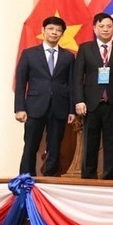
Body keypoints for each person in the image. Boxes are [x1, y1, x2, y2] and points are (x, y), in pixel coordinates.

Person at [15, 16, 76, 176]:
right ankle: (25, 179)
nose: (54, 33)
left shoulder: (68, 56)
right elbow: (21, 83)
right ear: (43, 31)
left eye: (58, 30)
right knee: (30, 145)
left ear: (62, 34)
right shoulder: (29, 54)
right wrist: (19, 108)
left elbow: (71, 84)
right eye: (51, 29)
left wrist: (71, 110)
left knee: (55, 145)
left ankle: (51, 179)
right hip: (34, 106)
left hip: (59, 106)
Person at [73, 12, 113, 179]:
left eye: (109, 26)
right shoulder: (85, 48)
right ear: (95, 28)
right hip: (91, 103)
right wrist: (79, 100)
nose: (106, 29)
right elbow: (78, 77)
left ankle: (111, 178)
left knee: (112, 142)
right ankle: (88, 177)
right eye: (101, 26)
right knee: (90, 143)